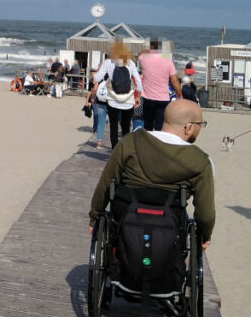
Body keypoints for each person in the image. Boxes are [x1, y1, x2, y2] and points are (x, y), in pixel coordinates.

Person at [89, 98, 215, 251]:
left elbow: (106, 184)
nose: (200, 129)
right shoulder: (200, 161)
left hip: (126, 222)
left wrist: (95, 217)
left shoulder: (130, 142)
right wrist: (205, 235)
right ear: (188, 128)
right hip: (169, 230)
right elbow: (205, 212)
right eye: (200, 125)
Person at [92, 43, 144, 149]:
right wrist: (138, 97)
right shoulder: (130, 63)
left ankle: (115, 150)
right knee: (125, 128)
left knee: (113, 126)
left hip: (112, 100)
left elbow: (97, 79)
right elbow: (139, 83)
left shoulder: (108, 62)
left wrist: (96, 71)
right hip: (128, 101)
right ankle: (124, 151)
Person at [138, 43, 181, 130]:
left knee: (148, 125)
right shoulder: (168, 61)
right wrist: (180, 95)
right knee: (160, 125)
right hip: (163, 98)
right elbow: (174, 80)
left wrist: (147, 49)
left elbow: (140, 54)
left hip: (148, 97)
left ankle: (148, 141)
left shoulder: (144, 59)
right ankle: (158, 141)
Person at [83, 72, 109, 148]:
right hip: (110, 103)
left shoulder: (100, 81)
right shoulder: (113, 80)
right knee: (113, 124)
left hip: (100, 103)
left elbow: (94, 89)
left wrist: (93, 98)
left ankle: (99, 142)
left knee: (101, 122)